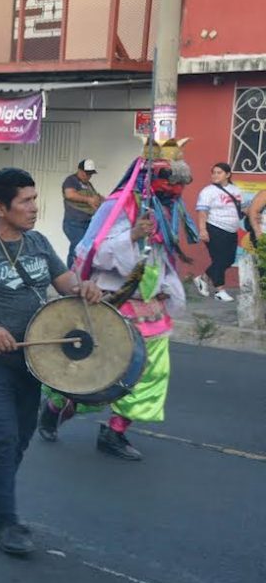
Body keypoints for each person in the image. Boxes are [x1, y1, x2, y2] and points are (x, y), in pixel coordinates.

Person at [0, 168, 102, 556]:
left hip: (32, 360)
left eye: (34, 198)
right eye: (25, 201)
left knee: (20, 438)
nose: (34, 207)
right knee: (3, 436)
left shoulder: (39, 242)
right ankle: (4, 522)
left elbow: (66, 285)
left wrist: (85, 288)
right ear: (0, 207)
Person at [39, 139, 198, 461]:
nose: (175, 188)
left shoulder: (167, 208)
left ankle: (115, 431)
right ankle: (56, 407)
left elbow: (162, 257)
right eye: (168, 179)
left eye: (179, 181)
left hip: (151, 308)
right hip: (113, 302)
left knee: (151, 374)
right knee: (95, 371)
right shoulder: (116, 205)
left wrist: (166, 285)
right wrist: (132, 236)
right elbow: (88, 251)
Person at [192, 162, 242, 302]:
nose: (215, 175)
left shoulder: (235, 190)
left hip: (231, 230)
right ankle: (219, 291)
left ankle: (203, 278)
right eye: (213, 172)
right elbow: (202, 212)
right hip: (214, 228)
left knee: (229, 260)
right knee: (219, 260)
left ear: (228, 174)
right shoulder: (208, 191)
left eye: (219, 172)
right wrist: (203, 230)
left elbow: (240, 207)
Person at [62, 159, 103, 268]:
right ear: (79, 170)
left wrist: (102, 200)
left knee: (84, 248)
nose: (88, 176)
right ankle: (72, 273)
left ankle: (79, 272)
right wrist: (88, 199)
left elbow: (95, 197)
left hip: (87, 223)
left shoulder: (89, 185)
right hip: (74, 223)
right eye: (86, 173)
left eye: (90, 174)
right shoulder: (71, 180)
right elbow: (69, 194)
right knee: (78, 248)